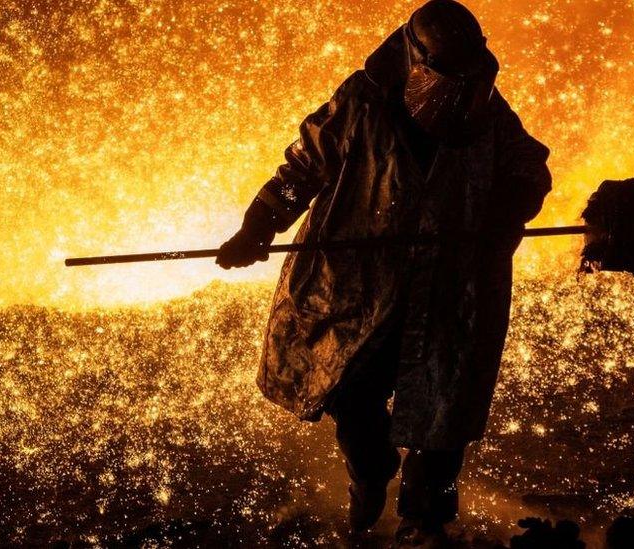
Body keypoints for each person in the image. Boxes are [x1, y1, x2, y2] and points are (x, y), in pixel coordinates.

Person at [216, 1, 551, 545]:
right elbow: (305, 164)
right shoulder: (363, 102)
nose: (460, 89)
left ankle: (424, 522)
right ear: (415, 60)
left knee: (442, 417)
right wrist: (260, 224)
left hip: (448, 290)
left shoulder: (488, 114)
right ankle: (370, 474)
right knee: (350, 393)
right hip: (361, 289)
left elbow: (527, 166)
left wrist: (511, 205)